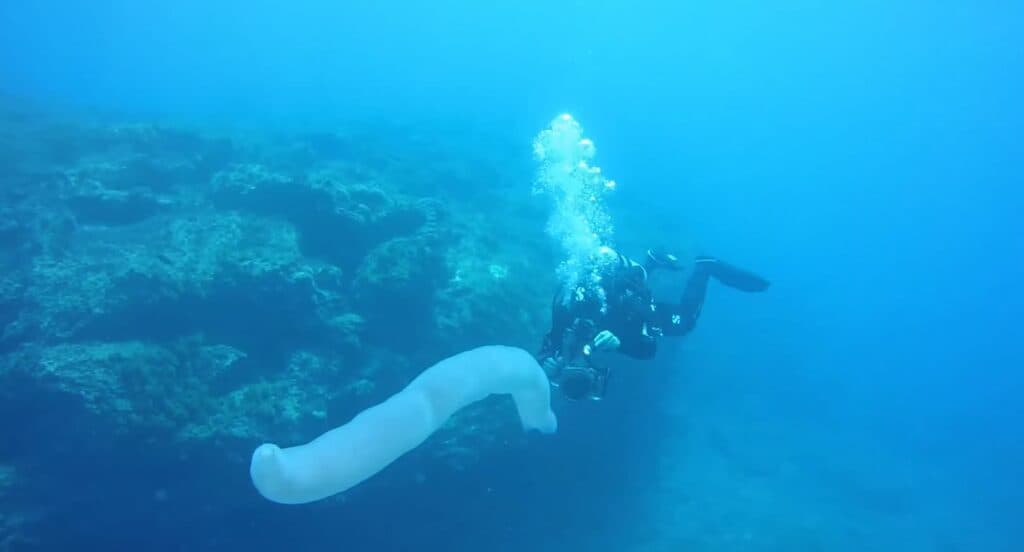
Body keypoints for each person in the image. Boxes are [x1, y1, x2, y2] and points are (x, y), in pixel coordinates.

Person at [537, 247, 770, 400]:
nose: (587, 372)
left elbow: (649, 349)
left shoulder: (561, 339)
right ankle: (649, 262)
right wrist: (619, 344)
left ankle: (705, 265)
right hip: (610, 288)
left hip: (627, 302)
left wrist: (622, 342)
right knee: (625, 286)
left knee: (684, 323)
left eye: (586, 379)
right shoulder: (562, 341)